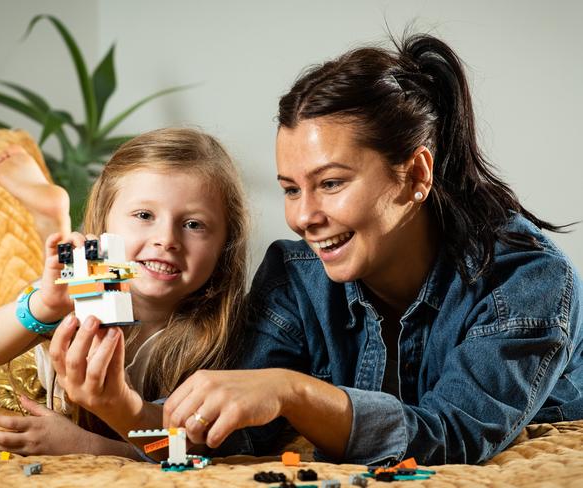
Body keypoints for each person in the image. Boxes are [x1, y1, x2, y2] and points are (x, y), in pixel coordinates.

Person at [162, 33, 583, 465]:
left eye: (331, 183)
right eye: (290, 189)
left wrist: (292, 390)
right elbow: (232, 432)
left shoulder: (527, 280)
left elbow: (452, 437)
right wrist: (112, 399)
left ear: (417, 175)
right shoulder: (295, 275)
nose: (303, 217)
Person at [0, 128, 249, 458]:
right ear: (106, 221)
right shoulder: (80, 291)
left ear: (226, 245)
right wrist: (43, 305)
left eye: (193, 224)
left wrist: (89, 446)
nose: (166, 239)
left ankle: (55, 222)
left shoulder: (223, 334)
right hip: (43, 358)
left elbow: (183, 447)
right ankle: (54, 221)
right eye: (144, 215)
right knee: (56, 275)